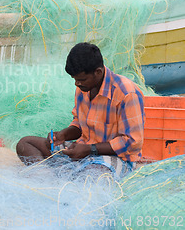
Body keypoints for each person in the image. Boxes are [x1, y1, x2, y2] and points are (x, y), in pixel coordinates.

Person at [15, 42, 145, 178]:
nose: (76, 84)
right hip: (82, 151)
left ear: (98, 72)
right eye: (75, 79)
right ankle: (47, 177)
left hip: (113, 158)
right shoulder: (83, 88)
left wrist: (90, 149)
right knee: (25, 144)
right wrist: (64, 135)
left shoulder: (127, 93)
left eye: (81, 79)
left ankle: (67, 174)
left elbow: (132, 143)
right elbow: (79, 124)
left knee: (92, 176)